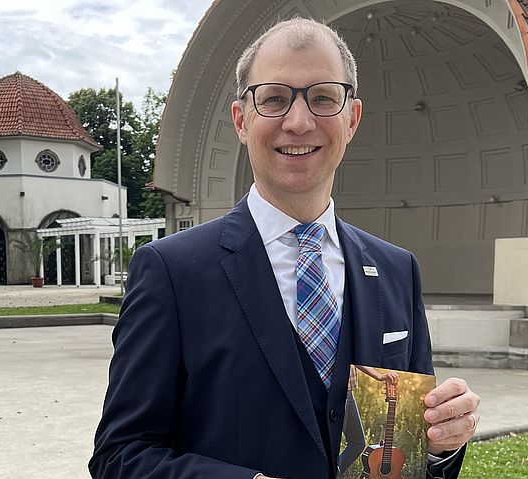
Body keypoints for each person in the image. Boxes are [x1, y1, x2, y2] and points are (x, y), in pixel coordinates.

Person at [90, 17, 480, 479]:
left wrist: (439, 446)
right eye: (274, 98)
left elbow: (400, 462)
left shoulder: (397, 269)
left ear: (351, 119)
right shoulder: (171, 271)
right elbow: (121, 456)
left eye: (323, 98)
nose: (299, 122)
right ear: (241, 119)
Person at [337, 367, 399, 476]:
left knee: (356, 443)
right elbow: (354, 352)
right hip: (340, 388)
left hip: (343, 389)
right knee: (356, 443)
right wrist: (378, 375)